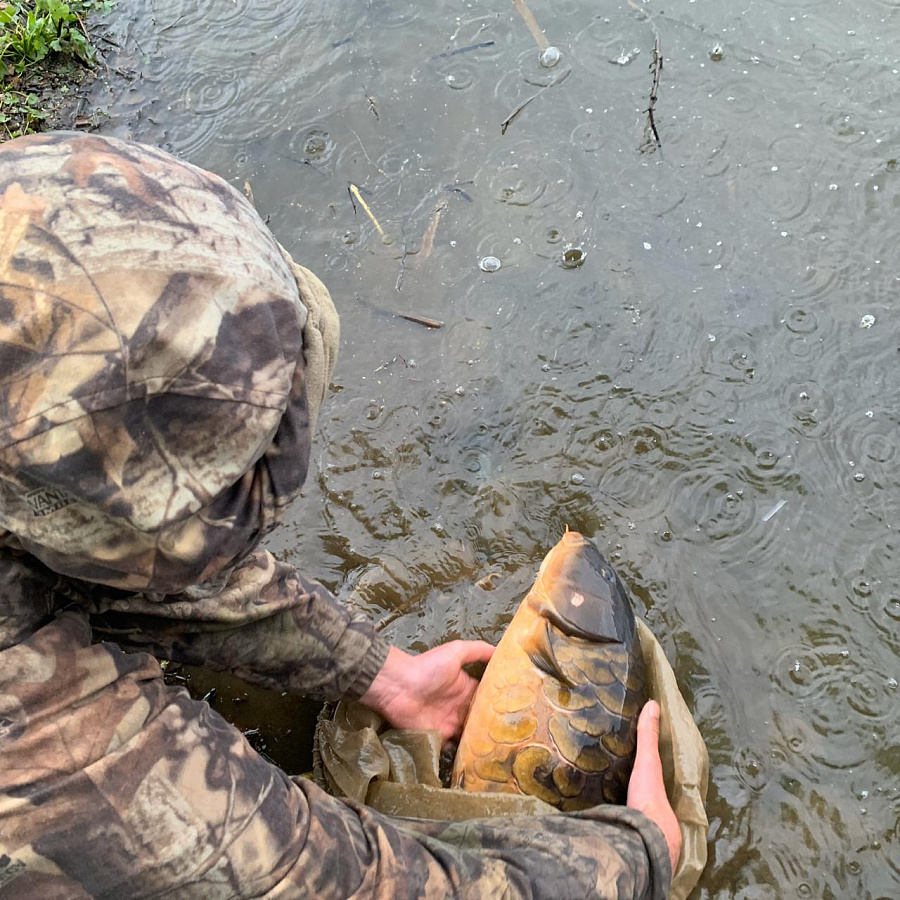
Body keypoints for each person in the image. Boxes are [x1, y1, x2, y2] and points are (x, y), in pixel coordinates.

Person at [0, 131, 681, 899]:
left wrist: (377, 674)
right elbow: (318, 882)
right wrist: (638, 858)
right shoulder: (44, 749)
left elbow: (91, 537)